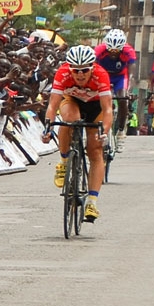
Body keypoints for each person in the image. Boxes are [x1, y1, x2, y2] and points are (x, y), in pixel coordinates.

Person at [43, 45, 113, 222]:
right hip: (72, 102)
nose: (80, 74)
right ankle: (64, 162)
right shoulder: (62, 73)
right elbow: (52, 105)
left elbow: (107, 109)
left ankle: (92, 202)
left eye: (84, 70)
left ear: (92, 68)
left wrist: (104, 132)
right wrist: (48, 127)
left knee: (95, 150)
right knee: (69, 120)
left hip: (95, 107)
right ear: (69, 68)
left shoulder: (101, 74)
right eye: (76, 70)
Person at [94, 29, 136, 150]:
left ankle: (121, 131)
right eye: (110, 50)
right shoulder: (99, 49)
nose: (113, 53)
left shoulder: (129, 51)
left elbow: (131, 73)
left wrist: (129, 90)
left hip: (120, 77)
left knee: (123, 99)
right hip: (103, 75)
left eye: (116, 51)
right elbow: (92, 66)